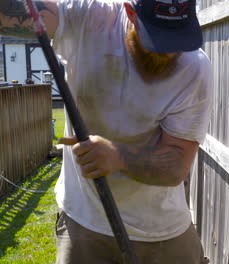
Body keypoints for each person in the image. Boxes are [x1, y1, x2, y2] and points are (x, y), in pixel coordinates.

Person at [0, 0, 213, 263]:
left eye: (176, 37)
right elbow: (15, 13)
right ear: (130, 12)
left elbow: (177, 164)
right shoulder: (89, 18)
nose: (170, 51)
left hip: (161, 229)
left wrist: (118, 156)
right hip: (85, 223)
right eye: (156, 37)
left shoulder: (194, 67)